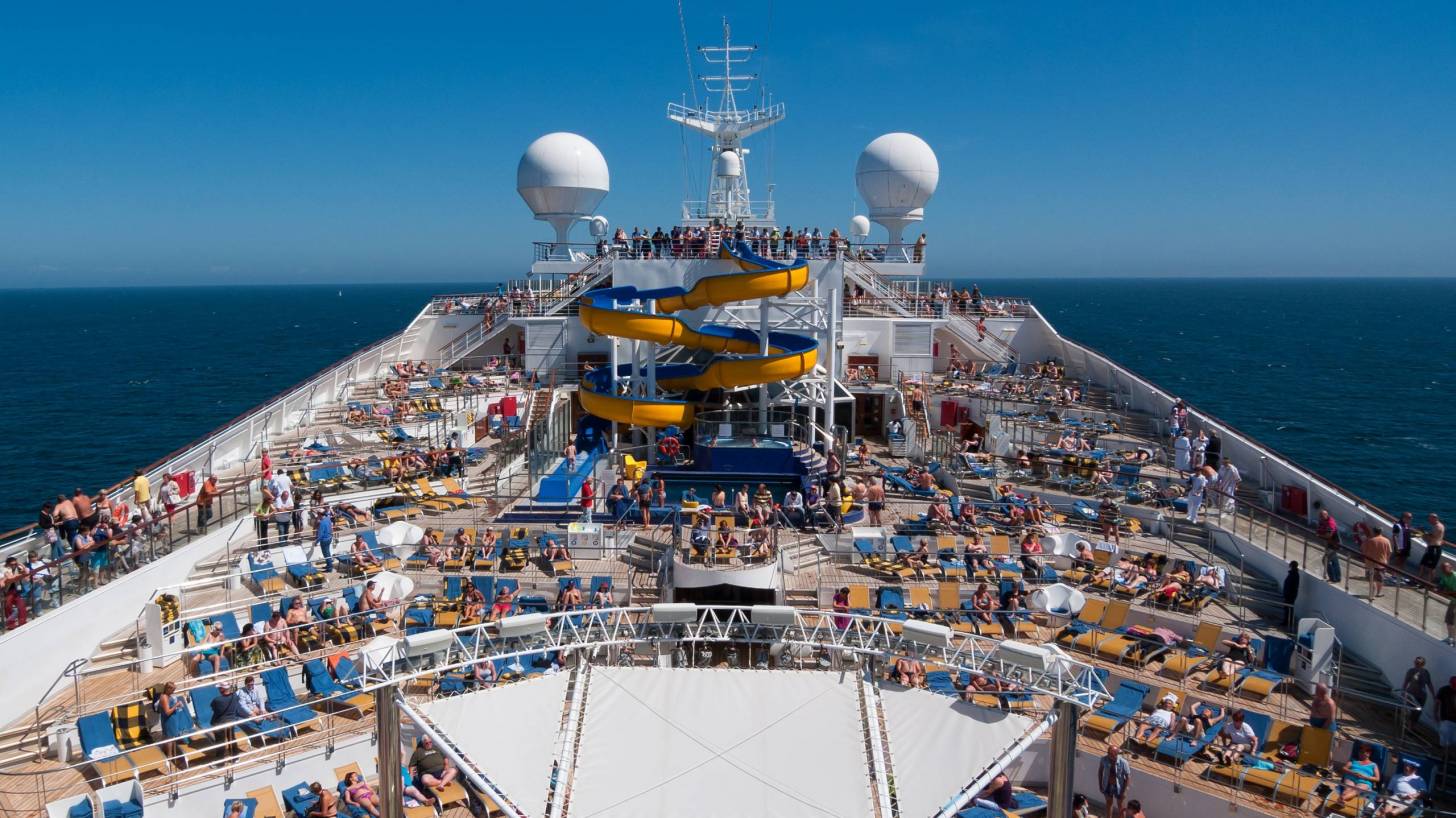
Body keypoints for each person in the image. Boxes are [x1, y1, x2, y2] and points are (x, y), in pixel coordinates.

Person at [1335, 744, 1381, 812]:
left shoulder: (1373, 764)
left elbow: (1377, 778)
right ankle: (1341, 800)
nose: (1362, 753)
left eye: (1364, 752)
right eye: (1361, 751)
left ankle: (1341, 798)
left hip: (1364, 781)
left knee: (1357, 789)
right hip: (1351, 777)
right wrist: (1353, 772)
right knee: (1348, 788)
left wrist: (1365, 777)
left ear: (1369, 753)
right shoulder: (1353, 761)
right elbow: (1344, 768)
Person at [1400, 656, 1436, 731]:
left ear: (1422, 664)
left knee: (1418, 712)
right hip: (1411, 694)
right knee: (1411, 710)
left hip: (1422, 695)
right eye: (1416, 662)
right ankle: (1408, 727)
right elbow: (1406, 682)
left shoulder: (1426, 672)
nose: (1416, 663)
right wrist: (1403, 691)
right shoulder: (1411, 671)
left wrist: (1433, 695)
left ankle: (1412, 727)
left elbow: (1429, 684)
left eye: (1419, 662)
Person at [1097, 743, 1131, 818]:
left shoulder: (1123, 762)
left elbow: (1128, 777)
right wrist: (1100, 785)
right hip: (1107, 785)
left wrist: (1125, 791)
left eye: (1110, 753)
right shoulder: (1104, 759)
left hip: (1119, 787)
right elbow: (1100, 771)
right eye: (1108, 752)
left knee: (1121, 807)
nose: (1108, 754)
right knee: (1109, 804)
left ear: (1116, 754)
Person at [1363, 525, 1392, 598]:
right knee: (1380, 579)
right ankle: (1378, 593)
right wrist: (1386, 560)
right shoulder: (1386, 541)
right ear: (1381, 532)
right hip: (1381, 563)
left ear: (1373, 532)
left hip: (1370, 563)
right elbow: (1389, 552)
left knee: (1371, 579)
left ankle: (1372, 594)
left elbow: (1363, 549)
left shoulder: (1370, 540)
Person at [1420, 513, 1446, 582]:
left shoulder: (1438, 527)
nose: (1429, 521)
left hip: (1434, 548)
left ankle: (1429, 584)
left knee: (1431, 568)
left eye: (1430, 519)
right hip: (1431, 547)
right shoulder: (1437, 526)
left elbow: (1432, 537)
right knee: (1423, 564)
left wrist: (1423, 535)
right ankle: (1419, 580)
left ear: (1435, 518)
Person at [1437, 676, 1456, 749]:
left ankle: (1448, 754)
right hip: (1446, 718)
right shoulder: (1444, 690)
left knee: (1453, 740)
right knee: (1444, 738)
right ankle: (1445, 755)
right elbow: (1437, 702)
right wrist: (1435, 713)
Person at [1282, 561, 1301, 630]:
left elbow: (1294, 586)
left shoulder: (1294, 574)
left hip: (1290, 595)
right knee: (1287, 608)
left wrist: (1290, 594)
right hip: (1288, 594)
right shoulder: (1293, 573)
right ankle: (1287, 621)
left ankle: (1288, 622)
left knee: (1289, 608)